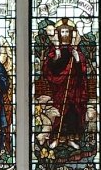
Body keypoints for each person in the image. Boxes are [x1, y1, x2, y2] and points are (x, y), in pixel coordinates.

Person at [34, 19, 91, 157]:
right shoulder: (55, 50)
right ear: (59, 34)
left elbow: (83, 67)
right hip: (59, 88)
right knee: (60, 111)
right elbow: (48, 68)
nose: (65, 34)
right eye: (62, 31)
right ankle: (57, 138)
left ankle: (71, 138)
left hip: (74, 87)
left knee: (73, 111)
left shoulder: (75, 49)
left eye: (67, 31)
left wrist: (77, 58)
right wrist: (57, 57)